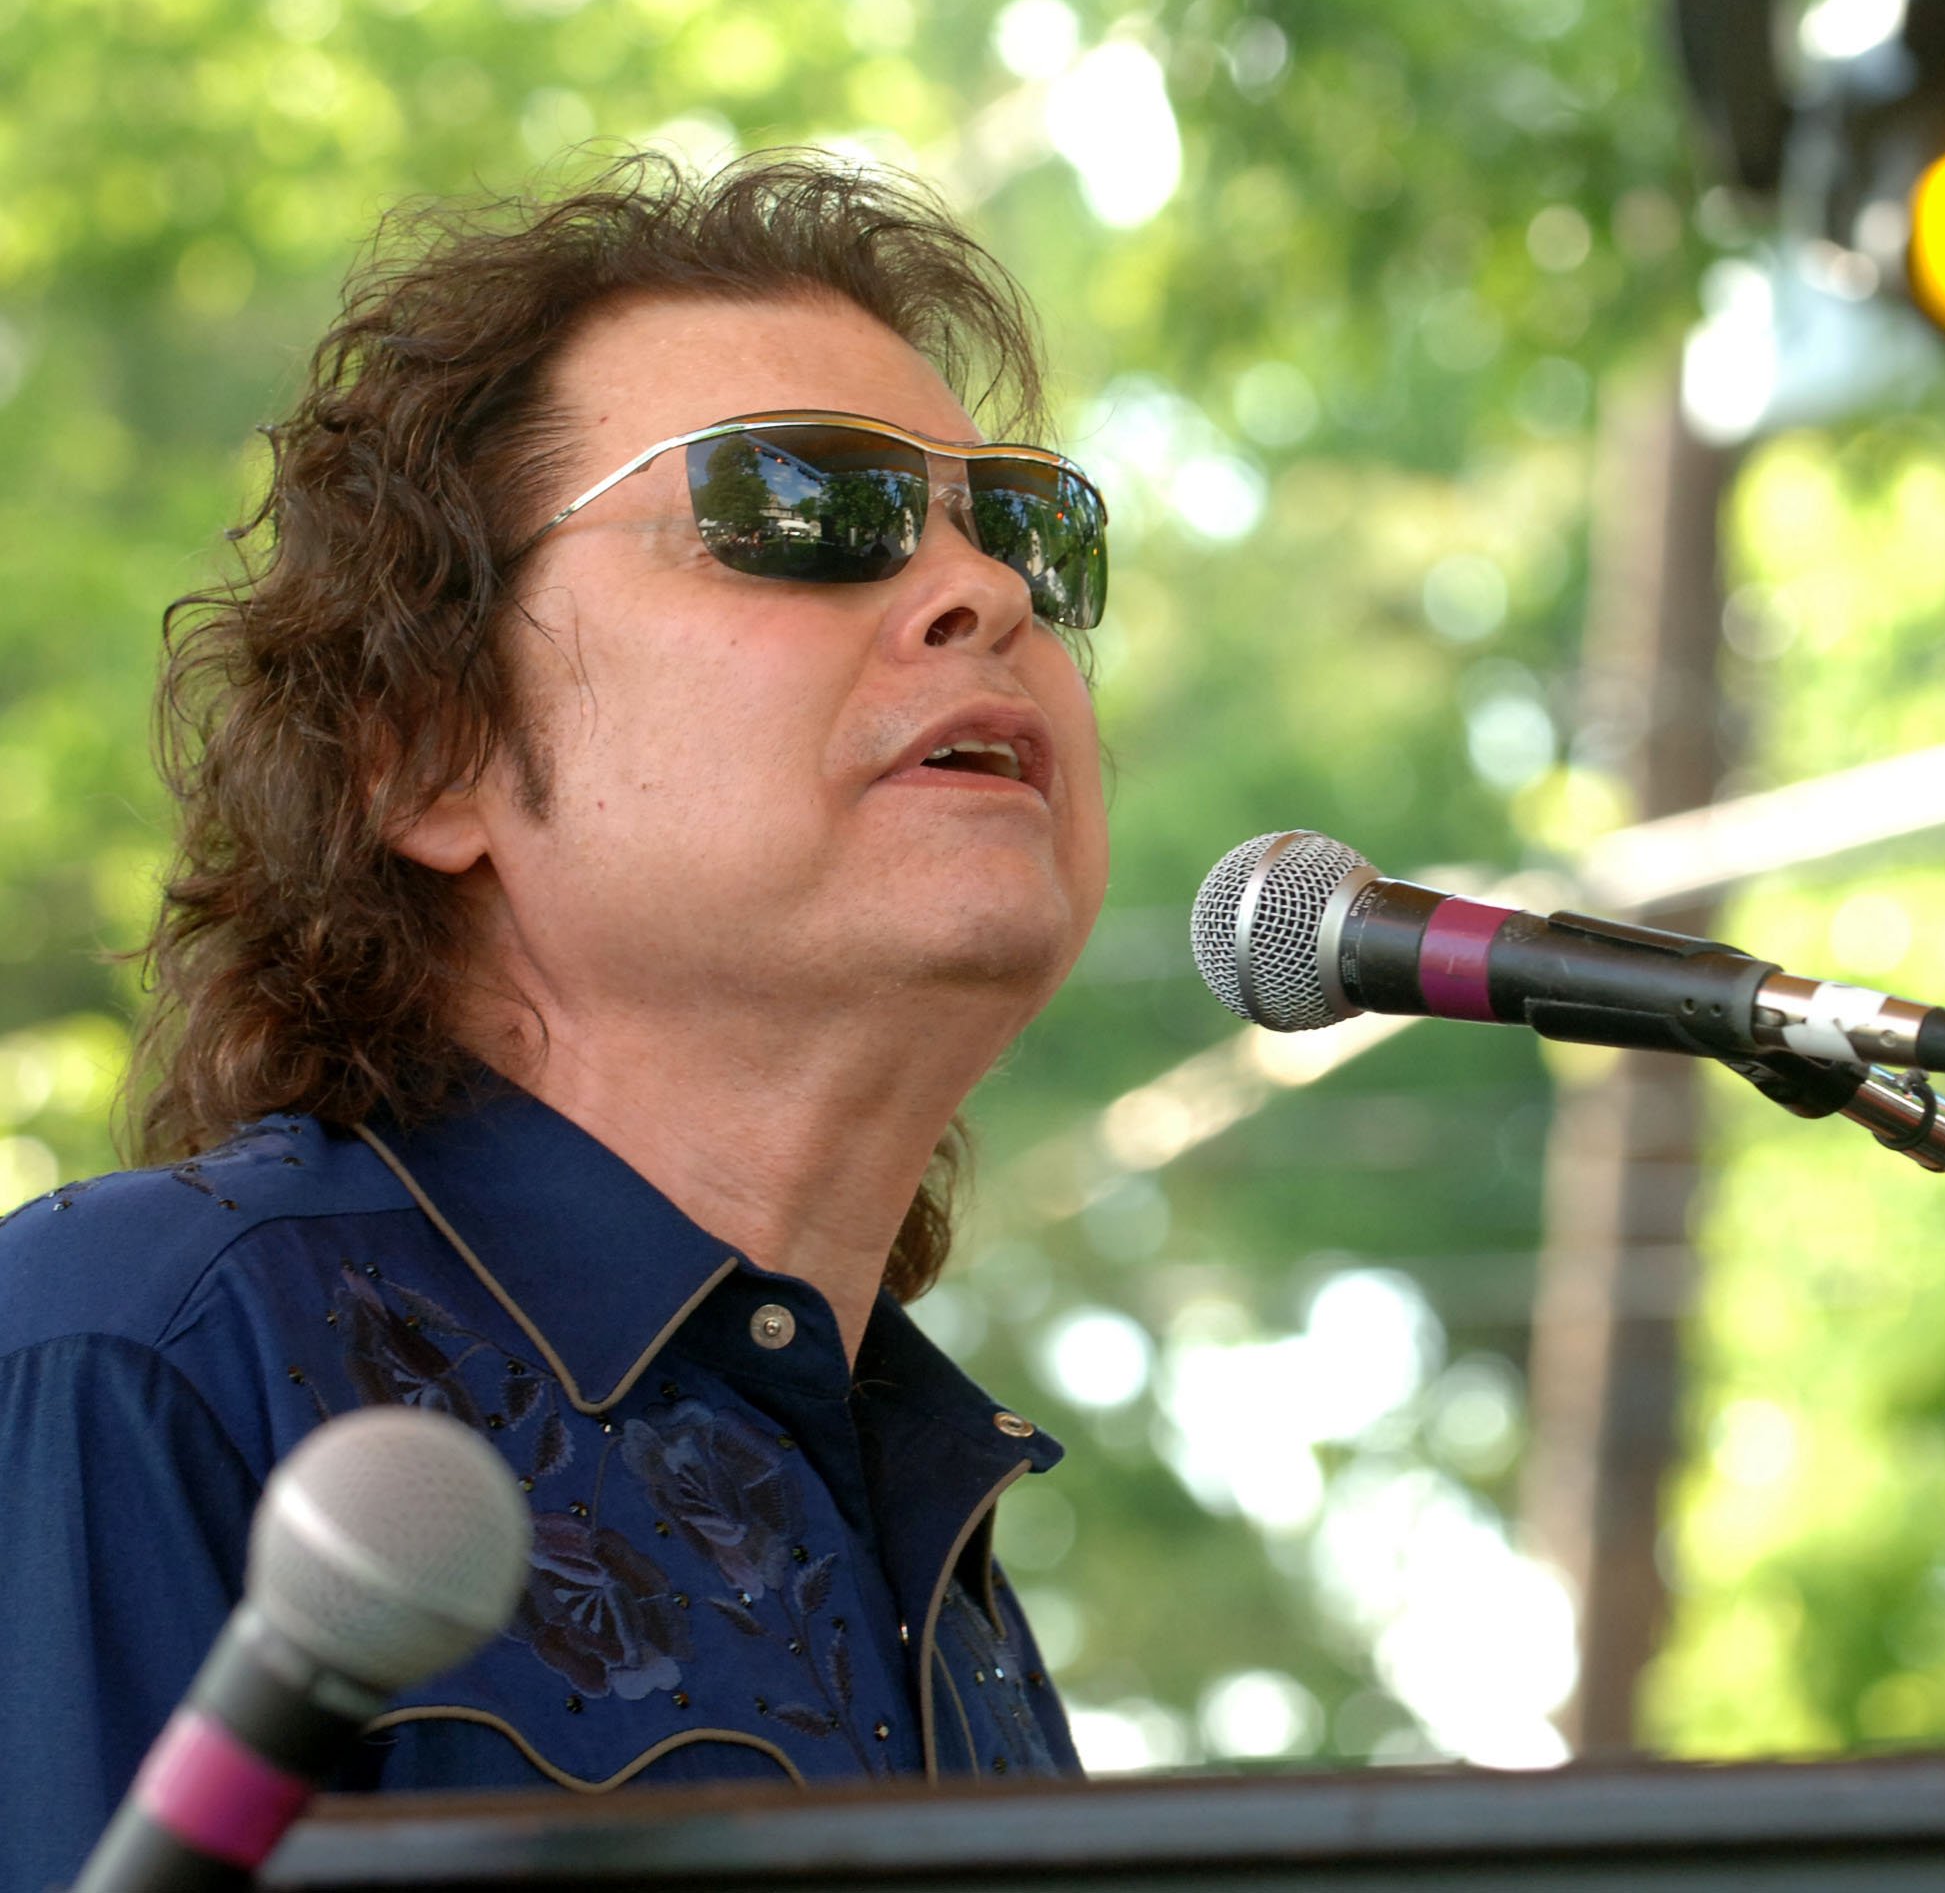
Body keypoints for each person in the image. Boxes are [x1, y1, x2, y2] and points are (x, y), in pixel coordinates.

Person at [0, 151, 1111, 1885]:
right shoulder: (141, 1354)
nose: (995, 593)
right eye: (804, 506)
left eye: (1037, 529)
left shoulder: (945, 1542)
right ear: (430, 753)